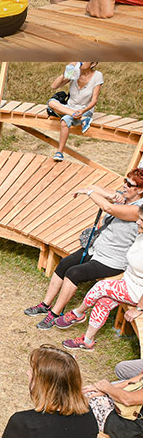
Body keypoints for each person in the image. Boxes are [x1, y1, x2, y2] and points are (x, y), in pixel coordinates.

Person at [26, 171, 143, 329]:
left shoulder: (138, 210)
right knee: (64, 264)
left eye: (129, 184)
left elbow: (107, 207)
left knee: (74, 273)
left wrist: (90, 193)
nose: (124, 185)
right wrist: (103, 193)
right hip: (96, 248)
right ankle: (45, 305)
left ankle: (54, 314)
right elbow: (96, 187)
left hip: (112, 259)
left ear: (140, 190)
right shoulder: (124, 197)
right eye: (125, 181)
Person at [49, 228, 143, 351]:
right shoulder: (140, 235)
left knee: (101, 287)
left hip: (138, 292)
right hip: (129, 282)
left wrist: (139, 309)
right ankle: (87, 341)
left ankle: (78, 313)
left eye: (141, 219)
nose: (137, 222)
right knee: (103, 302)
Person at [47, 62, 103, 160]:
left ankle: (59, 152)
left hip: (85, 109)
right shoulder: (74, 72)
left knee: (65, 120)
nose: (80, 62)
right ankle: (83, 119)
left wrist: (83, 111)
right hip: (70, 108)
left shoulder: (97, 76)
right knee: (51, 103)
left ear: (93, 63)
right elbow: (54, 86)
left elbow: (94, 100)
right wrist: (66, 72)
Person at [82, 358, 143, 438]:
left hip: (135, 424)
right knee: (90, 395)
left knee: (90, 404)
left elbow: (128, 399)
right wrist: (107, 389)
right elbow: (139, 379)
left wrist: (107, 388)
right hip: (132, 408)